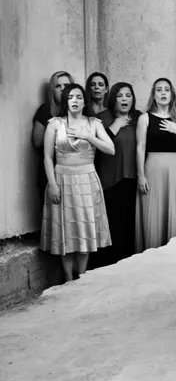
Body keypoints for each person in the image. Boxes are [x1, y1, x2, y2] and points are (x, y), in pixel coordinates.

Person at [40, 83, 115, 282]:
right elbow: (47, 157)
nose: (75, 100)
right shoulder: (55, 124)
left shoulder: (94, 123)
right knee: (66, 229)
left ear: (84, 101)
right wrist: (52, 184)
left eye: (79, 97)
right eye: (71, 97)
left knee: (85, 228)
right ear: (65, 101)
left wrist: (88, 136)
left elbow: (110, 149)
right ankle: (67, 277)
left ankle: (81, 277)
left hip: (87, 180)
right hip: (61, 179)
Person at [135, 78, 176, 253]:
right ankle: (150, 255)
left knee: (174, 211)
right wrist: (140, 175)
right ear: (153, 95)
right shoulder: (145, 118)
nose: (163, 93)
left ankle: (173, 255)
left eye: (166, 89)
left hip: (174, 168)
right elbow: (140, 148)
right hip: (152, 167)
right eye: (159, 90)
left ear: (172, 94)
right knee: (152, 213)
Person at [95, 82, 142, 265]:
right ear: (113, 98)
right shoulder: (103, 118)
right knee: (112, 223)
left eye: (128, 95)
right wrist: (116, 125)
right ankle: (108, 263)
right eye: (120, 95)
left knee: (129, 224)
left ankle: (127, 263)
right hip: (111, 178)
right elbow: (98, 147)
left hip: (133, 178)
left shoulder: (138, 118)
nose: (124, 99)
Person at [32, 71, 74, 204]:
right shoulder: (46, 110)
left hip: (74, 172)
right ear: (52, 90)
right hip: (51, 171)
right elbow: (37, 141)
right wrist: (55, 124)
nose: (62, 89)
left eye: (66, 85)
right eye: (58, 86)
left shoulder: (79, 110)